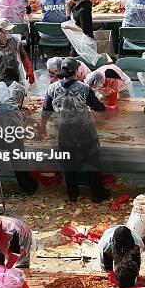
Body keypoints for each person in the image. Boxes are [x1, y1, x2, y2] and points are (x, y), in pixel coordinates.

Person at [40, 56, 110, 202]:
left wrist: (42, 127)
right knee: (92, 162)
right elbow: (98, 107)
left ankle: (73, 194)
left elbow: (46, 110)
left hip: (65, 132)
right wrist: (108, 109)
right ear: (76, 71)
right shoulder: (84, 88)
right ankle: (98, 194)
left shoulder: (52, 88)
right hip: (85, 131)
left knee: (68, 165)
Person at [0, 81, 38, 194]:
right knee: (18, 159)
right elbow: (20, 105)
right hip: (11, 126)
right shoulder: (18, 87)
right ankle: (28, 186)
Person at [0, 18, 34, 96]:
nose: (11, 32)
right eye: (8, 30)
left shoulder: (15, 41)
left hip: (15, 75)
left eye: (11, 30)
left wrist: (29, 70)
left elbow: (24, 57)